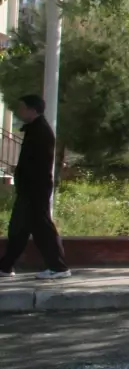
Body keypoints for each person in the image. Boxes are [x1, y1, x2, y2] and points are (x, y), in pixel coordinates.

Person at [0, 95, 71, 280]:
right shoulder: (34, 129)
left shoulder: (42, 131)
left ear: (33, 110)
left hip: (36, 189)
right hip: (28, 189)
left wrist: (28, 184)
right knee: (18, 228)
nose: (19, 111)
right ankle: (6, 266)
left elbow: (39, 165)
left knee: (42, 228)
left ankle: (59, 268)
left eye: (22, 108)